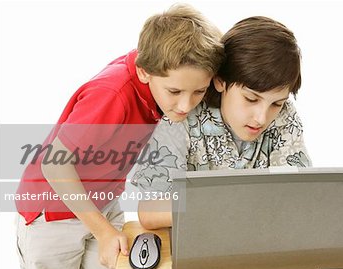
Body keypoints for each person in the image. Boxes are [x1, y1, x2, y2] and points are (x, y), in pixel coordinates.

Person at [15, 4, 224, 269]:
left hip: (103, 202)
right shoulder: (111, 96)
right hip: (51, 215)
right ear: (143, 72)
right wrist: (102, 231)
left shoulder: (162, 68)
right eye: (175, 92)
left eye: (198, 92)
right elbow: (54, 165)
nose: (186, 105)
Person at [132, 16, 312, 230]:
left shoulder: (285, 118)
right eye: (251, 99)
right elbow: (150, 211)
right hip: (199, 243)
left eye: (277, 103)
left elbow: (298, 196)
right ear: (220, 82)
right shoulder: (182, 117)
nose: (262, 118)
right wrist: (231, 204)